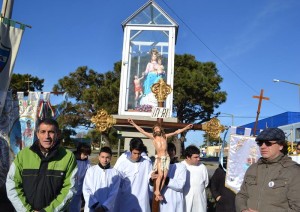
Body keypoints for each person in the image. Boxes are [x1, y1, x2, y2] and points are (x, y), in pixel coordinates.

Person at [6, 118, 78, 211]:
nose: (46, 136)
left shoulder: (68, 157)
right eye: (43, 132)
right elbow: (12, 184)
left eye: (51, 132)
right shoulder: (23, 155)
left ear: (58, 134)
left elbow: (70, 189)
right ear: (37, 134)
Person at [235, 127, 300, 212]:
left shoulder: (293, 171)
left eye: (268, 143)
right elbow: (241, 195)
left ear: (280, 146)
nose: (263, 146)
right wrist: (243, 210)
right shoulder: (253, 168)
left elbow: (297, 207)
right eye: (260, 143)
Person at [128, 118, 193, 201]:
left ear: (160, 129)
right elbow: (142, 131)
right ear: (154, 131)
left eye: (157, 128)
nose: (156, 129)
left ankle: (159, 192)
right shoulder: (153, 137)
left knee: (165, 176)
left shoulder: (165, 136)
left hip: (167, 158)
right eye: (155, 129)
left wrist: (186, 128)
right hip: (160, 158)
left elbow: (176, 132)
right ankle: (157, 191)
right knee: (160, 175)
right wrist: (133, 123)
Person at [114, 138, 152, 212]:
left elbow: (150, 183)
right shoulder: (123, 165)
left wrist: (152, 180)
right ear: (130, 151)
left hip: (142, 201)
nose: (137, 156)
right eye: (135, 153)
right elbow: (117, 185)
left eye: (139, 153)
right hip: (126, 201)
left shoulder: (147, 163)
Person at [150, 142, 187, 211]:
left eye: (172, 150)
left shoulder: (181, 167)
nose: (169, 153)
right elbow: (151, 188)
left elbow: (180, 185)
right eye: (167, 151)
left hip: (175, 202)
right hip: (161, 202)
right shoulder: (156, 165)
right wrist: (152, 181)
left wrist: (164, 179)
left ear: (174, 152)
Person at [82, 146, 121, 212]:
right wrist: (95, 205)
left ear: (111, 158)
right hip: (92, 207)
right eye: (102, 157)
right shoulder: (91, 171)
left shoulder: (115, 173)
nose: (105, 160)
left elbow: (114, 193)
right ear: (99, 157)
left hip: (107, 209)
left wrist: (105, 206)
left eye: (107, 157)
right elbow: (86, 189)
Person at [181, 145, 209, 212]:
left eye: (198, 156)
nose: (198, 159)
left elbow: (206, 183)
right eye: (195, 157)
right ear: (188, 157)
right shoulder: (181, 167)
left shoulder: (202, 167)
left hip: (200, 203)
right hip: (186, 201)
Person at [69, 143, 92, 212]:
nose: (86, 157)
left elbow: (89, 173)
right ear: (79, 152)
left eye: (87, 155)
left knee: (76, 207)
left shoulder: (87, 162)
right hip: (69, 188)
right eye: (85, 154)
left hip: (79, 189)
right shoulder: (72, 160)